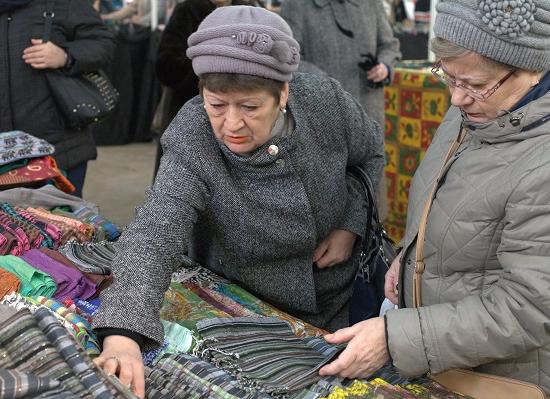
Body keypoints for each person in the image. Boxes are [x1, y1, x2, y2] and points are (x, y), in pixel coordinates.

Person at [92, 5, 384, 398]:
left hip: (339, 296)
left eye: (249, 107)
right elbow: (155, 232)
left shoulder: (326, 102)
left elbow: (370, 155)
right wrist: (124, 333)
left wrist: (350, 222)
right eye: (216, 105)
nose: (231, 124)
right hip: (247, 308)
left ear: (283, 93)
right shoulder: (194, 135)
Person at [318, 0, 550, 395]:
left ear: (533, 70)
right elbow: (452, 207)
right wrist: (408, 258)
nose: (457, 99)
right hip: (438, 355)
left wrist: (396, 338)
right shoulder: (479, 111)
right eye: (449, 77)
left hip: (495, 377)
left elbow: (530, 309)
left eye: (475, 84)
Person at [280, 0, 400, 225]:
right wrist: (327, 84)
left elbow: (389, 44)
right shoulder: (296, 5)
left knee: (370, 178)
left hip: (368, 106)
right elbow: (288, 56)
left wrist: (384, 66)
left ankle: (372, 237)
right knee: (327, 196)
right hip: (320, 112)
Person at [0, 0, 115, 197]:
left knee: (61, 223)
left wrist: (64, 56)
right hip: (4, 155)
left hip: (59, 150)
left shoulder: (65, 3)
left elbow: (103, 44)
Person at [153, 0, 261, 175]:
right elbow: (165, 66)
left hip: (245, 119)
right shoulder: (187, 11)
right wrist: (211, 65)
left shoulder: (251, 11)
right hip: (193, 118)